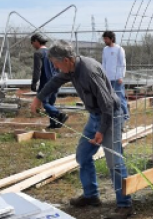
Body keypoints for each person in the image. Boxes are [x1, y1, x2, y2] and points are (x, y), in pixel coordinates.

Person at [30, 41, 133, 219]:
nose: (55, 67)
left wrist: (101, 131)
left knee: (114, 162)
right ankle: (91, 195)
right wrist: (39, 98)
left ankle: (125, 204)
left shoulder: (89, 71)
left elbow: (107, 104)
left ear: (68, 60)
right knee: (83, 155)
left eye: (56, 63)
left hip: (110, 116)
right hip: (95, 115)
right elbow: (55, 81)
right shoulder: (70, 69)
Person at [30, 33, 68, 129]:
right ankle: (53, 123)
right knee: (50, 103)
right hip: (56, 80)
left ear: (36, 41)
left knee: (43, 102)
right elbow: (59, 66)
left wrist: (34, 83)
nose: (32, 45)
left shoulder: (38, 53)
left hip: (45, 82)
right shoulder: (52, 52)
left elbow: (37, 70)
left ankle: (59, 115)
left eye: (32, 43)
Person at [102, 31, 129, 124]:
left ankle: (125, 116)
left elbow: (123, 64)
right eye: (104, 39)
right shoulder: (105, 49)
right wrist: (103, 75)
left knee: (120, 98)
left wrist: (121, 76)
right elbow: (104, 63)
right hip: (108, 78)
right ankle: (115, 116)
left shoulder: (119, 49)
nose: (105, 40)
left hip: (117, 79)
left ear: (111, 39)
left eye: (106, 38)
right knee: (110, 98)